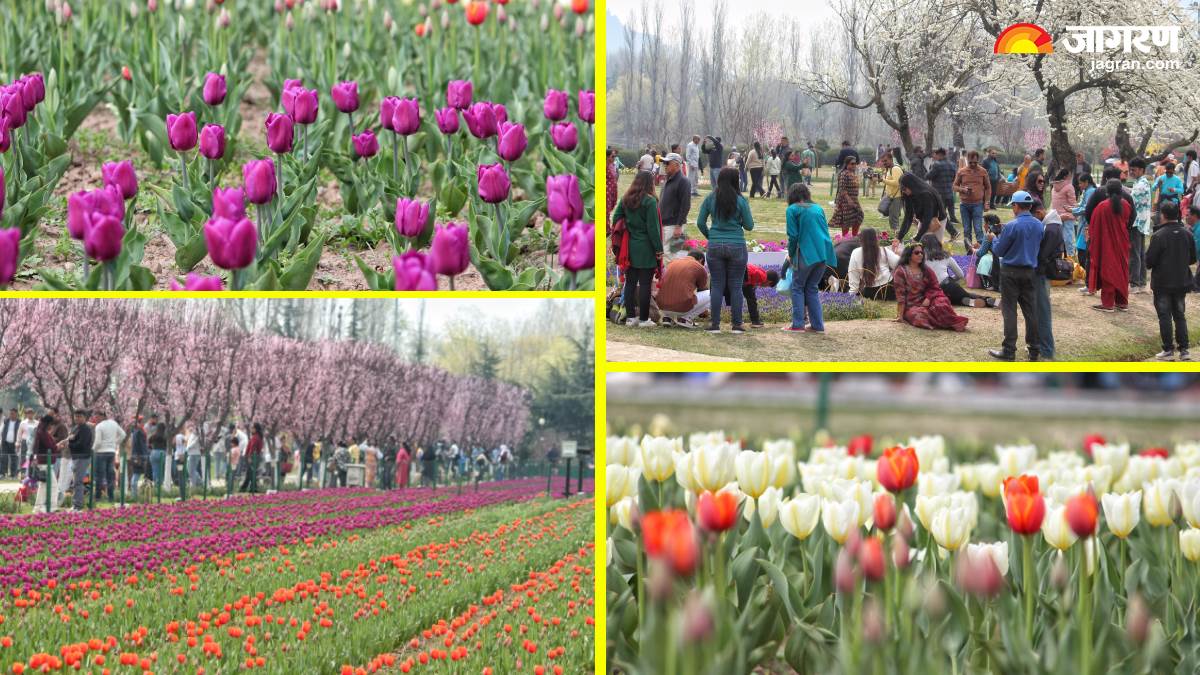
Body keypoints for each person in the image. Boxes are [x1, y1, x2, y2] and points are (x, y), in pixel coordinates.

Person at [698, 167, 755, 333]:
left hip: (715, 246)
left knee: (716, 285)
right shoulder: (740, 200)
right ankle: (737, 324)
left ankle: (714, 324)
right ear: (736, 181)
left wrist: (711, 237)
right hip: (737, 245)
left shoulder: (710, 198)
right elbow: (749, 225)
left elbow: (701, 222)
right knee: (736, 286)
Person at [988, 190, 1043, 361]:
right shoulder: (1039, 224)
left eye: (1012, 205)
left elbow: (998, 251)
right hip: (1029, 272)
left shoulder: (1012, 226)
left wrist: (994, 238)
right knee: (1031, 311)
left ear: (1016, 205)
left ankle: (1009, 350)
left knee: (1010, 311)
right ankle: (1034, 349)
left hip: (1010, 272)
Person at [612, 171, 663, 327]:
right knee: (645, 284)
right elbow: (653, 228)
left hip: (629, 247)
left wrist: (628, 227)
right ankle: (643, 319)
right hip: (646, 247)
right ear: (650, 183)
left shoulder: (625, 199)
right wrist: (659, 249)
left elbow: (616, 219)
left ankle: (630, 318)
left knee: (630, 283)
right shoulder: (650, 201)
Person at [784, 182, 836, 333]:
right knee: (812, 288)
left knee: (797, 287)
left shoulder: (792, 209)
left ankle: (798, 325)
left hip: (806, 254)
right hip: (823, 254)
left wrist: (791, 254)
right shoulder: (818, 208)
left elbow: (793, 236)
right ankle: (817, 326)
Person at [1145, 200, 1195, 359]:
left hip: (1163, 283)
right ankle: (1184, 350)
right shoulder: (1188, 233)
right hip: (1181, 281)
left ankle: (1168, 350)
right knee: (1180, 314)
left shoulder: (1159, 235)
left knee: (1165, 315)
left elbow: (1149, 262)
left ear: (1163, 215)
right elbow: (1193, 259)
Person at [892, 242, 969, 331]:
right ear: (909, 255)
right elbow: (900, 295)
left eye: (922, 253)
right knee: (919, 316)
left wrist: (928, 298)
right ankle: (946, 323)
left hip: (928, 299)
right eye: (917, 253)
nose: (920, 254)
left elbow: (935, 287)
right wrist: (900, 316)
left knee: (942, 303)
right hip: (912, 306)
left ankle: (951, 322)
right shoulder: (901, 271)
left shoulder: (926, 270)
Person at [920, 233, 996, 308]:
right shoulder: (946, 256)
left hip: (932, 291)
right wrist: (951, 279)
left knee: (950, 300)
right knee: (966, 295)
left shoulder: (919, 259)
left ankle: (967, 302)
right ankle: (990, 301)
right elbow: (960, 275)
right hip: (948, 284)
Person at [1033, 202, 1066, 360]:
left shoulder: (1051, 229)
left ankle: (1047, 350)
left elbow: (1043, 254)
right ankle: (1041, 346)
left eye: (1034, 217)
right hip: (1044, 272)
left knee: (1043, 313)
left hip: (1043, 273)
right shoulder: (1053, 224)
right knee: (1041, 311)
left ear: (1039, 212)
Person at [656, 249, 710, 328]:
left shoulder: (672, 263)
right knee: (712, 294)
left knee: (671, 289)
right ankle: (686, 319)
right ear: (701, 260)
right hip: (681, 309)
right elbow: (702, 288)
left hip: (662, 307)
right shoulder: (698, 266)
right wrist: (704, 311)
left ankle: (667, 318)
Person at [847, 227, 900, 299]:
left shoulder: (855, 252)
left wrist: (852, 293)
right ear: (876, 238)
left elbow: (853, 273)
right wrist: (896, 253)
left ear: (861, 239)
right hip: (888, 290)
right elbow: (898, 264)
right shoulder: (883, 250)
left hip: (869, 293)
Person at [722, 263, 778, 328]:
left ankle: (735, 320)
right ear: (769, 282)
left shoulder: (762, 272)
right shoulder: (763, 276)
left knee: (736, 297)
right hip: (743, 277)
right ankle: (755, 322)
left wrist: (752, 285)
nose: (765, 287)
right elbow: (754, 274)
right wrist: (752, 285)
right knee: (751, 300)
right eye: (767, 286)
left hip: (738, 273)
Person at [953, 150, 992, 247]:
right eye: (971, 162)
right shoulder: (961, 171)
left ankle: (982, 251)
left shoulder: (983, 171)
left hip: (977, 204)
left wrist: (987, 202)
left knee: (978, 228)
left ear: (978, 160)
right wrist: (963, 190)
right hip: (964, 205)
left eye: (975, 162)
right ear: (967, 160)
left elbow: (988, 187)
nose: (973, 164)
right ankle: (969, 251)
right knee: (966, 230)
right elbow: (954, 186)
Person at [658, 153, 691, 257]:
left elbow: (685, 205)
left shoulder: (683, 181)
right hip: (665, 223)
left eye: (667, 163)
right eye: (664, 163)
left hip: (674, 225)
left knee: (671, 255)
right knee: (666, 254)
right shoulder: (668, 179)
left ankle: (673, 273)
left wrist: (678, 226)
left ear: (677, 165)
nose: (665, 165)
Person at [898, 173, 947, 243]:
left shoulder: (926, 194)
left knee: (934, 246)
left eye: (904, 189)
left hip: (937, 221)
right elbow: (908, 216)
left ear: (911, 185)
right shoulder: (907, 194)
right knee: (920, 244)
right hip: (924, 219)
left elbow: (927, 218)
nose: (903, 191)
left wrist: (917, 238)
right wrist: (899, 237)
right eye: (901, 189)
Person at [1129, 158, 1153, 293]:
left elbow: (1131, 199)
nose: (1132, 172)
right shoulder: (1140, 182)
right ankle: (1142, 283)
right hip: (1142, 222)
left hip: (1137, 222)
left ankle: (1134, 283)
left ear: (1142, 170)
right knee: (1140, 254)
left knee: (1135, 254)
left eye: (1134, 170)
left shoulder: (1141, 184)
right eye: (1131, 169)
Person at [92, 411, 125, 502]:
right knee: (110, 475)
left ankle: (98, 497)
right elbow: (123, 434)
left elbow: (98, 442)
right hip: (111, 452)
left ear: (102, 416)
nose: (96, 419)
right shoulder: (113, 423)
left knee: (99, 476)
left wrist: (93, 450)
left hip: (100, 453)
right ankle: (111, 497)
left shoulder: (99, 426)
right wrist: (115, 443)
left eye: (97, 416)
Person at [927, 148, 960, 234]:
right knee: (941, 215)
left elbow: (928, 176)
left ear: (939, 155)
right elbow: (954, 178)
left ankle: (953, 232)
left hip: (938, 194)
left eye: (936, 155)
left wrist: (929, 170)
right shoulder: (952, 164)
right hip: (949, 193)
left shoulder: (936, 165)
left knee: (941, 215)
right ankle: (952, 232)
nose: (934, 156)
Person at [31, 414, 60, 513]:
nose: (52, 426)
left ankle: (38, 507)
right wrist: (58, 446)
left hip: (42, 461)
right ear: (48, 423)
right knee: (53, 485)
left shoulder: (40, 431)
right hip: (45, 462)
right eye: (51, 424)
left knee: (43, 486)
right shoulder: (43, 433)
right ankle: (50, 506)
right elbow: (50, 447)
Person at [65, 410, 93, 510]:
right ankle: (75, 504)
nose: (77, 418)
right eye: (76, 416)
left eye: (80, 416)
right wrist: (70, 441)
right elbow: (70, 438)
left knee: (78, 482)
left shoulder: (85, 429)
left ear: (84, 417)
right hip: (75, 457)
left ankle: (78, 506)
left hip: (83, 457)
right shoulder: (75, 428)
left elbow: (82, 444)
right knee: (75, 482)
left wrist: (70, 444)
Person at [831, 156, 865, 237]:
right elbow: (842, 189)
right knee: (847, 220)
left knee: (859, 216)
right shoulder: (844, 174)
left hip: (854, 200)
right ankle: (845, 239)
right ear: (847, 164)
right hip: (845, 201)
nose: (854, 165)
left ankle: (854, 236)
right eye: (852, 164)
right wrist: (849, 200)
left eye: (855, 164)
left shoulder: (853, 173)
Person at [1073, 173, 1097, 283]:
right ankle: (1087, 277)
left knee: (1083, 249)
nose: (1079, 185)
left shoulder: (1090, 192)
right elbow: (1082, 206)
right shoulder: (1087, 191)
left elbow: (1086, 208)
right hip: (1084, 223)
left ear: (1087, 182)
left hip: (1087, 224)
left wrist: (1073, 211)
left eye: (1081, 183)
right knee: (1081, 248)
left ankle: (1087, 277)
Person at [1049, 169, 1078, 258]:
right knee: (1069, 238)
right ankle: (1071, 258)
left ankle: (1058, 257)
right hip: (1067, 215)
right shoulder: (1069, 186)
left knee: (1058, 238)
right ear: (1066, 176)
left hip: (1056, 215)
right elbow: (1073, 203)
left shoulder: (1054, 186)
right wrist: (1076, 212)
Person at [880, 152, 903, 234]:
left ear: (891, 159)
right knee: (892, 219)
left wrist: (883, 180)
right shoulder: (890, 169)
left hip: (896, 197)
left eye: (885, 160)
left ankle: (897, 238)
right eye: (882, 161)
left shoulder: (895, 169)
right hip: (891, 196)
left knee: (894, 220)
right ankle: (895, 237)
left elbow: (897, 183)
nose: (884, 163)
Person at [146, 414, 167, 492]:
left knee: (155, 470)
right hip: (162, 453)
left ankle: (156, 486)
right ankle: (160, 485)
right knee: (162, 471)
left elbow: (148, 442)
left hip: (154, 452)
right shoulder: (165, 436)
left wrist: (152, 447)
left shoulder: (154, 436)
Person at [128, 417, 148, 497]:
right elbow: (141, 446)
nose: (143, 424)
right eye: (141, 422)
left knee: (136, 475)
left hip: (136, 456)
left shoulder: (134, 432)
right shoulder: (139, 433)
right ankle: (134, 495)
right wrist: (144, 456)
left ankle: (135, 494)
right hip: (139, 456)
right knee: (137, 476)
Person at [240, 423, 263, 493]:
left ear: (256, 429)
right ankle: (251, 488)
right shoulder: (258, 436)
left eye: (252, 428)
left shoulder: (255, 437)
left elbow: (252, 447)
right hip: (255, 457)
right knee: (250, 473)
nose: (251, 429)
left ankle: (249, 488)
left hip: (252, 457)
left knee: (250, 473)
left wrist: (249, 456)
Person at [17, 408, 38, 479]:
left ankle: (31, 472)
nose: (30, 414)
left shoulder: (36, 423)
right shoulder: (23, 423)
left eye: (31, 413)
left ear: (33, 414)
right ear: (26, 414)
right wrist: (18, 442)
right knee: (23, 457)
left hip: (33, 442)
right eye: (28, 413)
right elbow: (19, 434)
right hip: (24, 441)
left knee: (32, 457)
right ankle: (23, 473)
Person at [0, 409, 17, 479]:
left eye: (12, 414)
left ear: (16, 414)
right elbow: (1, 430)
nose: (11, 415)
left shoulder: (19, 422)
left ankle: (13, 475)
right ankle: (3, 474)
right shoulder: (6, 421)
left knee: (14, 459)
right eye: (10, 414)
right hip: (5, 443)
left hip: (14, 443)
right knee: (4, 458)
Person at [185, 423, 202, 489]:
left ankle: (194, 485)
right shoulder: (192, 434)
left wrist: (187, 449)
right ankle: (199, 482)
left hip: (194, 454)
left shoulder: (197, 435)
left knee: (191, 470)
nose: (190, 428)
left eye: (191, 427)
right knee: (190, 470)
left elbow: (194, 443)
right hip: (191, 453)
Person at [606, 147, 619, 224]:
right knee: (606, 210)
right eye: (612, 156)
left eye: (615, 156)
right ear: (607, 156)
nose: (614, 158)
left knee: (609, 208)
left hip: (612, 191)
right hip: (606, 191)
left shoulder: (612, 165)